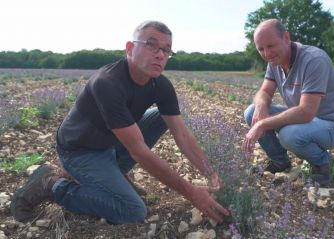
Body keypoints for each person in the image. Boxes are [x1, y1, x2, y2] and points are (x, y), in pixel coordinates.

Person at [10, 20, 229, 224]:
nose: (160, 54)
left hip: (110, 141)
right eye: (151, 45)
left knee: (162, 117)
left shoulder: (160, 85)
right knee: (132, 211)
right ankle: (52, 185)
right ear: (130, 48)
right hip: (80, 150)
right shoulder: (108, 83)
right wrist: (191, 192)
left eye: (166, 49)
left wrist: (210, 172)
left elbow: (181, 134)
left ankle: (115, 175)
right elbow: (139, 152)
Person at [242, 19, 334, 187]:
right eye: (261, 49)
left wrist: (262, 123)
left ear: (286, 37)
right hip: (308, 120)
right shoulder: (275, 61)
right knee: (252, 112)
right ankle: (280, 162)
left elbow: (306, 112)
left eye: (270, 46)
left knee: (289, 135)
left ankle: (324, 163)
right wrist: (262, 107)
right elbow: (264, 92)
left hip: (333, 124)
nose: (266, 53)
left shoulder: (314, 59)